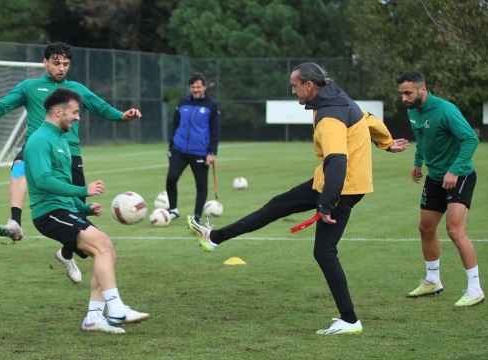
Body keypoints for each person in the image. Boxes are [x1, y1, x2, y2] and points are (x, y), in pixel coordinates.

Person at [186, 63, 410, 335]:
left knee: (324, 252)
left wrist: (327, 204)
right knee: (277, 205)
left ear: (309, 86)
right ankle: (214, 238)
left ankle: (350, 320)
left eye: (294, 85)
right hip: (330, 183)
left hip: (341, 188)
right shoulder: (336, 97)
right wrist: (387, 143)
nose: (292, 90)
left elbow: (338, 160)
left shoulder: (328, 116)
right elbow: (369, 119)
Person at [0, 42, 141, 283]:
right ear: (45, 62)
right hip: (37, 147)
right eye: (56, 63)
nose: (62, 68)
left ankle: (66, 254)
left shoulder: (75, 89)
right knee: (20, 165)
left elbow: (102, 108)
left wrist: (123, 116)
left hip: (69, 154)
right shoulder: (29, 87)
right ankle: (15, 222)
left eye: (66, 64)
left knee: (74, 213)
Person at [25, 88, 150, 333]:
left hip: (63, 209)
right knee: (102, 243)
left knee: (107, 254)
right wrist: (83, 189)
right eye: (74, 112)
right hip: (48, 212)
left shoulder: (61, 140)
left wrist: (84, 208)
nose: (78, 117)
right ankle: (116, 309)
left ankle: (93, 318)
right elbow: (42, 180)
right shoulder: (39, 140)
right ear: (58, 111)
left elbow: (61, 183)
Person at [397, 70, 484, 307]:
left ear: (422, 89)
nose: (404, 98)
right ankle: (433, 280)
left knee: (455, 231)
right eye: (401, 93)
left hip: (460, 175)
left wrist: (454, 170)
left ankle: (475, 289)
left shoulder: (446, 110)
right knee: (426, 227)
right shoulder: (413, 111)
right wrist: (417, 162)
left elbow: (470, 139)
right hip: (435, 178)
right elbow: (422, 139)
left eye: (408, 92)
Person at [166, 72, 220, 224]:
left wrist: (212, 152)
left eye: (198, 86)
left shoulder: (212, 105)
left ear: (204, 87)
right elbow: (175, 124)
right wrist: (172, 146)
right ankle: (173, 210)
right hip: (179, 149)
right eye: (192, 87)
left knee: (201, 184)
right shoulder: (182, 103)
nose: (195, 89)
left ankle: (196, 216)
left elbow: (215, 130)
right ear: (189, 88)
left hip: (200, 151)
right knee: (171, 178)